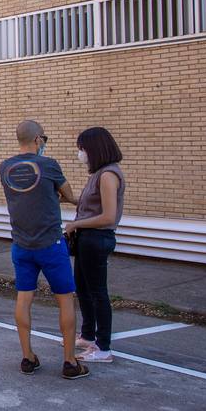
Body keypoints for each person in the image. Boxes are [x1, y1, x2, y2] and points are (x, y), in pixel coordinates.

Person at [0, 120, 89, 380]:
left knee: (23, 298)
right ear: (38, 139)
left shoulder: (5, 167)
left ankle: (27, 357)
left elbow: (25, 195)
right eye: (44, 139)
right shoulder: (49, 165)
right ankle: (70, 362)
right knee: (65, 299)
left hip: (21, 245)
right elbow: (69, 195)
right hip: (51, 244)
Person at [64, 127, 125, 364]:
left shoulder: (109, 174)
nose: (80, 153)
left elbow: (108, 216)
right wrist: (70, 199)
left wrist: (75, 224)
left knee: (98, 292)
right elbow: (91, 202)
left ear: (95, 149)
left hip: (97, 238)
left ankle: (103, 347)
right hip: (86, 239)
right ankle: (88, 335)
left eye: (82, 148)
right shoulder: (98, 174)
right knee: (83, 288)